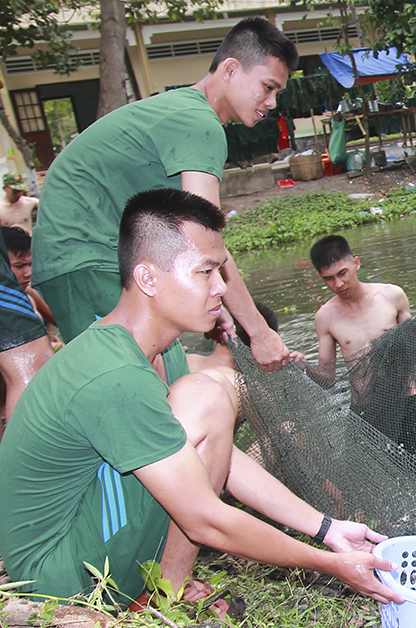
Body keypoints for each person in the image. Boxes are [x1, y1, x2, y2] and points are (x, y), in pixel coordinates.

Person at [0, 188, 401, 610]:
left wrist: (327, 528)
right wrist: (329, 563)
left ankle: (162, 589)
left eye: (221, 271)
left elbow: (220, 458)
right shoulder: (114, 374)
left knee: (207, 397)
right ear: (148, 278)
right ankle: (162, 599)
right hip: (61, 576)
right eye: (205, 273)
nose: (221, 287)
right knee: (209, 394)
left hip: (85, 539)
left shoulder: (160, 350)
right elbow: (205, 519)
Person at [29, 17, 296, 372]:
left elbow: (184, 237)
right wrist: (259, 332)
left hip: (96, 257)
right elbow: (206, 245)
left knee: (167, 374)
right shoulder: (199, 124)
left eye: (277, 92)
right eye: (267, 86)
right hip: (88, 258)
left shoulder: (181, 109)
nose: (272, 101)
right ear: (230, 69)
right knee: (130, 381)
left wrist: (217, 308)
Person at [306, 235, 416, 466]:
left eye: (342, 273)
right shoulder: (325, 317)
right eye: (328, 279)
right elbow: (327, 379)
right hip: (365, 410)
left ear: (356, 263)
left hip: (407, 402)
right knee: (372, 481)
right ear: (320, 276)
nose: (338, 284)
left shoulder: (392, 296)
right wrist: (301, 365)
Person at [0, 230, 53, 441]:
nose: (27, 273)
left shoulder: (30, 294)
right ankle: (27, 467)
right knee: (32, 360)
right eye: (20, 266)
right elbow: (33, 360)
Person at [2, 226, 59, 336]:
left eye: (30, 264)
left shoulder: (27, 291)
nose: (28, 273)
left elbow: (61, 322)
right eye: (19, 266)